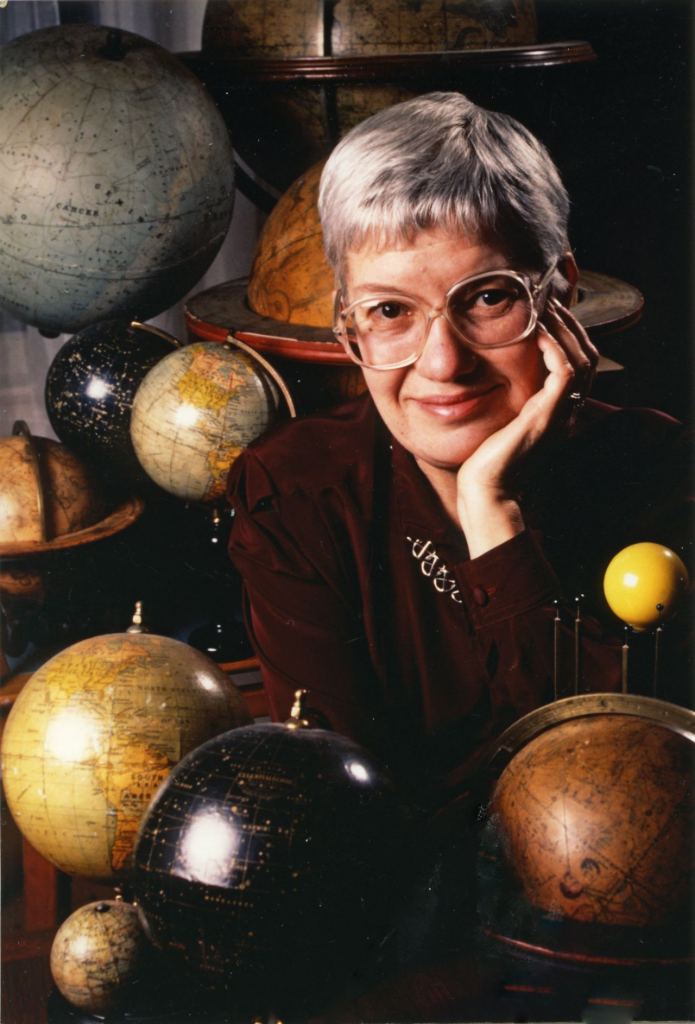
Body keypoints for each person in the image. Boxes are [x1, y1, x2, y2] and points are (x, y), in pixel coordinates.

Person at [227, 92, 690, 812]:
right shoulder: (296, 495)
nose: (442, 363)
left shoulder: (663, 472)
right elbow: (336, 810)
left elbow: (616, 807)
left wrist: (490, 510)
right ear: (349, 333)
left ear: (559, 293)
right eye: (389, 311)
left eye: (485, 300)